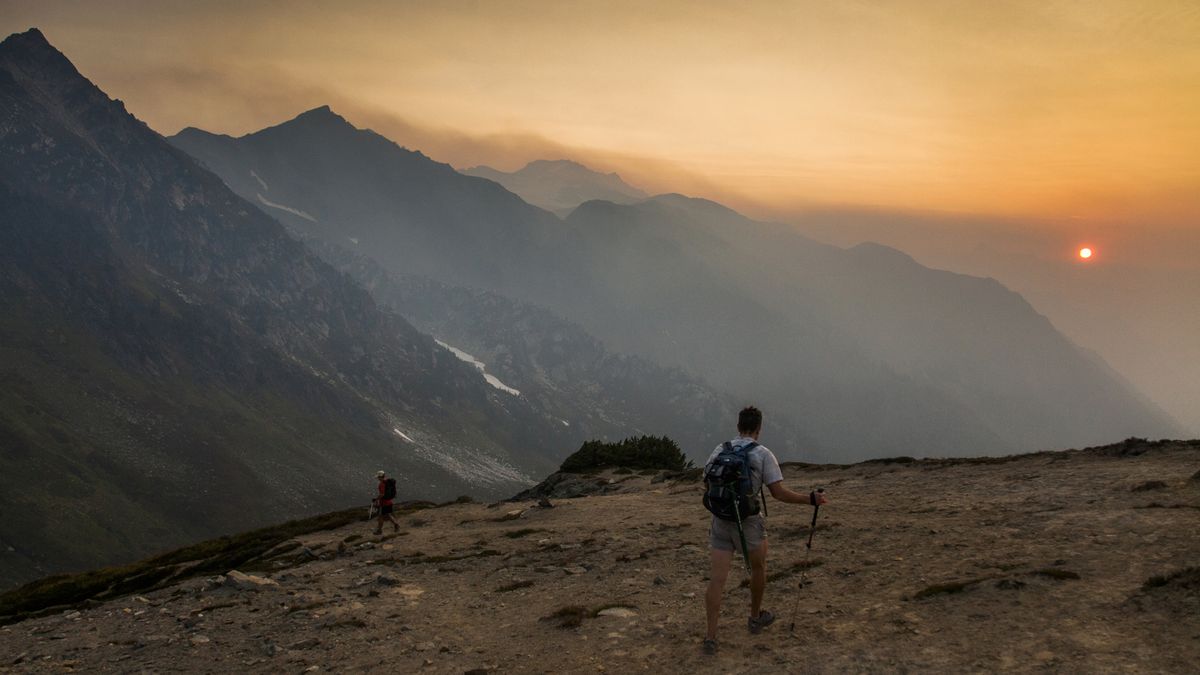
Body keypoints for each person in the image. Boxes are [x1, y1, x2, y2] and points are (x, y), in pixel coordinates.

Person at [702, 406, 829, 655]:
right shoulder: (762, 454)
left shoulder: (720, 449)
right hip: (749, 522)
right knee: (759, 568)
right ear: (759, 429)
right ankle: (754, 616)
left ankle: (710, 636)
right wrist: (810, 499)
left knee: (717, 579)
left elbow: (706, 481)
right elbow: (778, 493)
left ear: (738, 426)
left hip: (720, 520)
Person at [373, 470, 401, 535]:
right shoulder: (388, 482)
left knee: (380, 517)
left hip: (384, 503)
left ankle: (379, 530)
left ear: (380, 477)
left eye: (378, 477)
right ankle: (396, 525)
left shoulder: (381, 484)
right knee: (388, 515)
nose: (377, 478)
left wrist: (376, 499)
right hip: (389, 502)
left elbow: (382, 494)